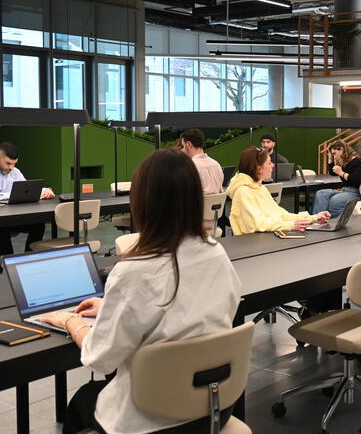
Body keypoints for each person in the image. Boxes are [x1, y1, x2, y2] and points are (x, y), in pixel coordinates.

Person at [39, 149, 241, 434]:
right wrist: (112, 304)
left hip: (151, 419)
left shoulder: (133, 271)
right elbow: (213, 309)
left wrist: (70, 321)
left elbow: (100, 358)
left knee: (81, 403)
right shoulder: (215, 254)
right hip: (212, 406)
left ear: (143, 202)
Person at [0, 142, 54, 255]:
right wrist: (11, 195)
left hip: (6, 217)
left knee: (38, 225)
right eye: (8, 163)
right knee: (1, 227)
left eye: (14, 164)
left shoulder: (15, 171)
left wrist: (45, 190)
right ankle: (10, 264)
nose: (11, 167)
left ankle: (28, 260)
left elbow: (26, 189)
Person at [227, 146, 330, 234]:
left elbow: (280, 215)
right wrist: (291, 225)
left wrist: (313, 218)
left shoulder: (260, 188)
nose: (273, 165)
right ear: (259, 168)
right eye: (269, 163)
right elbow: (257, 224)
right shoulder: (243, 192)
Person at [311, 140, 361, 218]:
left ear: (341, 149)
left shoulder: (355, 162)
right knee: (320, 193)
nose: (334, 157)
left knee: (333, 202)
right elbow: (333, 172)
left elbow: (358, 180)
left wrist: (341, 173)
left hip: (356, 193)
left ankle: (324, 220)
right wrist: (330, 158)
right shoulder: (344, 162)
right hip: (345, 190)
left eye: (334, 153)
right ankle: (316, 220)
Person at [178, 128, 223, 194]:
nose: (182, 150)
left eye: (182, 146)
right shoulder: (217, 164)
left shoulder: (189, 167)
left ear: (189, 144)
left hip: (196, 204)